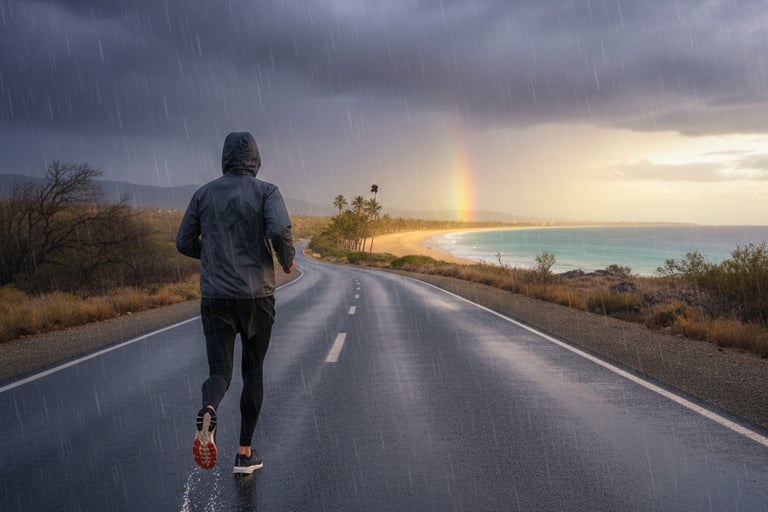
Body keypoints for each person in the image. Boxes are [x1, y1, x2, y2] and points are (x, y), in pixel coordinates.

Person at [176, 131, 295, 474]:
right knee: (253, 372)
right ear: (256, 159)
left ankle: (209, 409)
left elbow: (183, 241)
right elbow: (279, 230)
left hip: (216, 296)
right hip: (257, 297)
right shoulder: (267, 191)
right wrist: (286, 259)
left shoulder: (204, 193)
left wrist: (214, 255)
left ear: (225, 158)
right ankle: (245, 454)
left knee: (220, 372)